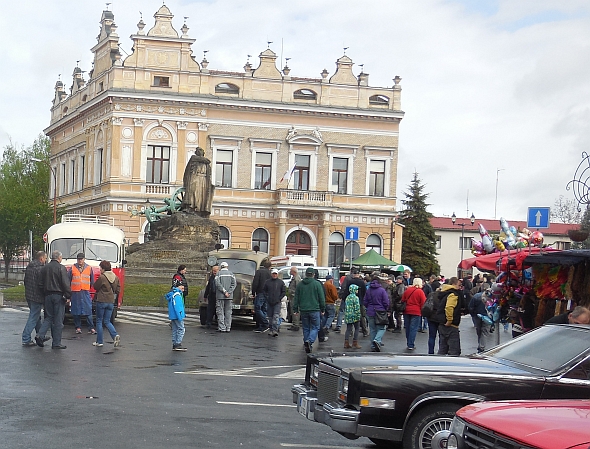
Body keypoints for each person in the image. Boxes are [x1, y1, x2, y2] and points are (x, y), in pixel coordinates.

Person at [35, 250, 71, 349]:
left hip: (47, 295)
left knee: (48, 317)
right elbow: (65, 283)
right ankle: (56, 343)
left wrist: (45, 293)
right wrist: (68, 296)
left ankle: (40, 335)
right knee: (58, 320)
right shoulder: (61, 268)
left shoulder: (44, 268)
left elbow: (40, 283)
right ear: (59, 258)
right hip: (59, 296)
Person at [293, 267, 326, 353]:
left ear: (305, 274)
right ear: (313, 274)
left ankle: (306, 341)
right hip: (314, 309)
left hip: (304, 309)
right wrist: (323, 309)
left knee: (306, 327)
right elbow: (321, 298)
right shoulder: (317, 284)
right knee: (315, 327)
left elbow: (296, 298)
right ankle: (310, 341)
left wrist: (295, 309)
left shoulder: (300, 285)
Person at [92, 260, 121, 348]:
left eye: (100, 268)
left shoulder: (102, 277)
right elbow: (118, 290)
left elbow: (95, 286)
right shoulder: (116, 277)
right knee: (107, 321)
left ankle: (99, 341)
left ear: (103, 268)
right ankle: (114, 335)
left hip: (101, 300)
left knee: (99, 321)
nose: (100, 269)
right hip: (111, 302)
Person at [22, 251, 47, 346]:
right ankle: (26, 338)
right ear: (41, 259)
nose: (45, 260)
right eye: (45, 258)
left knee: (36, 317)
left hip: (29, 295)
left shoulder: (29, 267)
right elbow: (42, 284)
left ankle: (40, 336)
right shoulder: (41, 269)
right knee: (33, 317)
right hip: (37, 297)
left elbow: (25, 281)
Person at [433, 276, 463, 356]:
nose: (460, 288)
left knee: (443, 348)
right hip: (451, 324)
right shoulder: (453, 294)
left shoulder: (444, 292)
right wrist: (449, 320)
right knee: (454, 350)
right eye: (459, 285)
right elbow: (449, 307)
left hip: (441, 322)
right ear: (454, 284)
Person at [69, 253, 96, 335]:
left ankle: (91, 328)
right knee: (76, 311)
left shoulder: (89, 268)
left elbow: (92, 281)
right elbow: (68, 279)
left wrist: (87, 287)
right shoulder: (73, 268)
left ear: (84, 259)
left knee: (88, 311)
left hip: (85, 291)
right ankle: (78, 327)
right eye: (78, 259)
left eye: (81, 259)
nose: (80, 260)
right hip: (75, 292)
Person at [364, 275, 390, 352]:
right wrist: (386, 309)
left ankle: (373, 345)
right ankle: (377, 340)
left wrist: (368, 307)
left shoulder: (369, 290)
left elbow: (365, 301)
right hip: (380, 311)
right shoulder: (382, 290)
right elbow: (386, 302)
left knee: (372, 329)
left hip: (370, 311)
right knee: (382, 328)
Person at [401, 277, 427, 351]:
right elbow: (423, 302)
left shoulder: (408, 290)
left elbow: (403, 299)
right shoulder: (420, 291)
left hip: (406, 310)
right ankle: (411, 344)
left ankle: (408, 342)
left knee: (408, 328)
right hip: (416, 311)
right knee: (413, 328)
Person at [263, 268, 286, 337]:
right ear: (271, 274)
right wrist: (267, 298)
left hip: (277, 302)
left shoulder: (281, 282)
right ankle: (271, 329)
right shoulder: (267, 282)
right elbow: (264, 291)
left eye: (275, 274)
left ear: (277, 274)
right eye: (273, 274)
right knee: (270, 317)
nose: (274, 275)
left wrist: (279, 299)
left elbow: (283, 291)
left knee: (276, 316)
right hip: (269, 302)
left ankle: (275, 330)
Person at [214, 261, 237, 332]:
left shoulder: (218, 274)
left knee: (220, 311)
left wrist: (224, 291)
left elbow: (217, 284)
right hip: (229, 296)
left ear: (221, 267)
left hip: (220, 296)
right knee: (228, 312)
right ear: (227, 267)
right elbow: (234, 284)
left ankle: (222, 327)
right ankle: (228, 327)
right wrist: (229, 292)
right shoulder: (231, 274)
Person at [252, 259, 271, 333]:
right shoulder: (270, 273)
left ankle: (265, 323)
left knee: (257, 308)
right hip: (268, 293)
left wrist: (253, 292)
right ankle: (262, 326)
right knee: (264, 309)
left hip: (261, 292)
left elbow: (255, 283)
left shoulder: (259, 272)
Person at [167, 283, 186, 351]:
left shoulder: (172, 294)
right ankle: (178, 343)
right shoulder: (177, 295)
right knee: (181, 329)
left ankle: (175, 343)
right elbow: (178, 307)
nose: (183, 290)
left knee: (175, 329)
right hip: (177, 315)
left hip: (173, 315)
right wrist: (180, 316)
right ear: (178, 287)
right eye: (182, 288)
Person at [343, 284, 361, 349]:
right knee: (356, 329)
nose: (357, 291)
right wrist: (359, 315)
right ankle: (355, 342)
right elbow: (357, 308)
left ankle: (346, 342)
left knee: (348, 329)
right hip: (355, 315)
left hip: (348, 315)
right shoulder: (356, 298)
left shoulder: (347, 297)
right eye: (357, 289)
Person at [287, 266, 302, 331]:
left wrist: (294, 294)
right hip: (292, 297)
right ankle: (294, 324)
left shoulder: (297, 279)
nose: (290, 272)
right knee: (292, 311)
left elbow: (298, 289)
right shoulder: (294, 278)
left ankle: (296, 325)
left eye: (291, 270)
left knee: (295, 311)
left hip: (295, 297)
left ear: (293, 272)